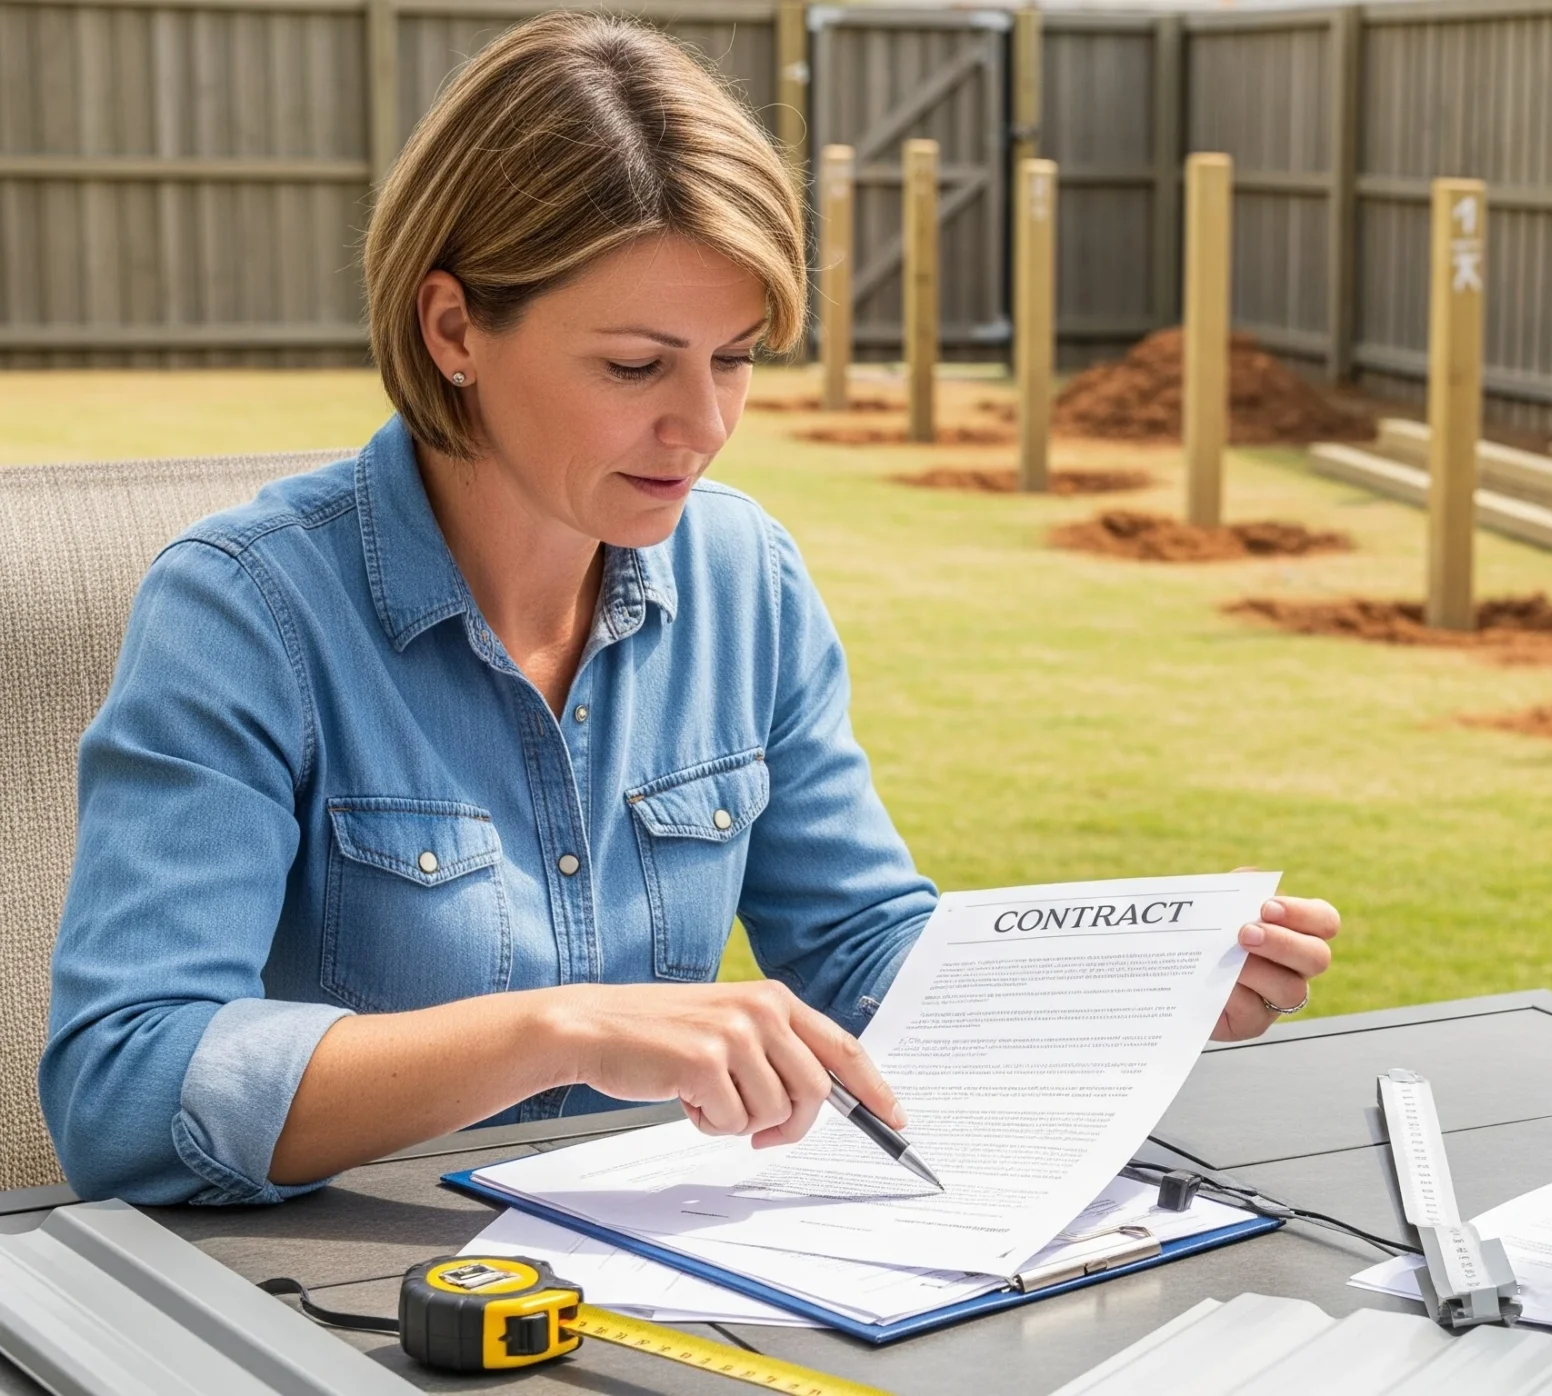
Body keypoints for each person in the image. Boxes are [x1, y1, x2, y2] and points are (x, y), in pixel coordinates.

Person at [40, 12, 1337, 1207]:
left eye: (735, 362)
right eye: (634, 365)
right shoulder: (246, 612)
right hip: (350, 1310)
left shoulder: (745, 577)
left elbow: (854, 941)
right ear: (451, 328)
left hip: (655, 1278)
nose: (702, 428)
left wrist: (1130, 990)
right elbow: (124, 1086)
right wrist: (559, 1026)